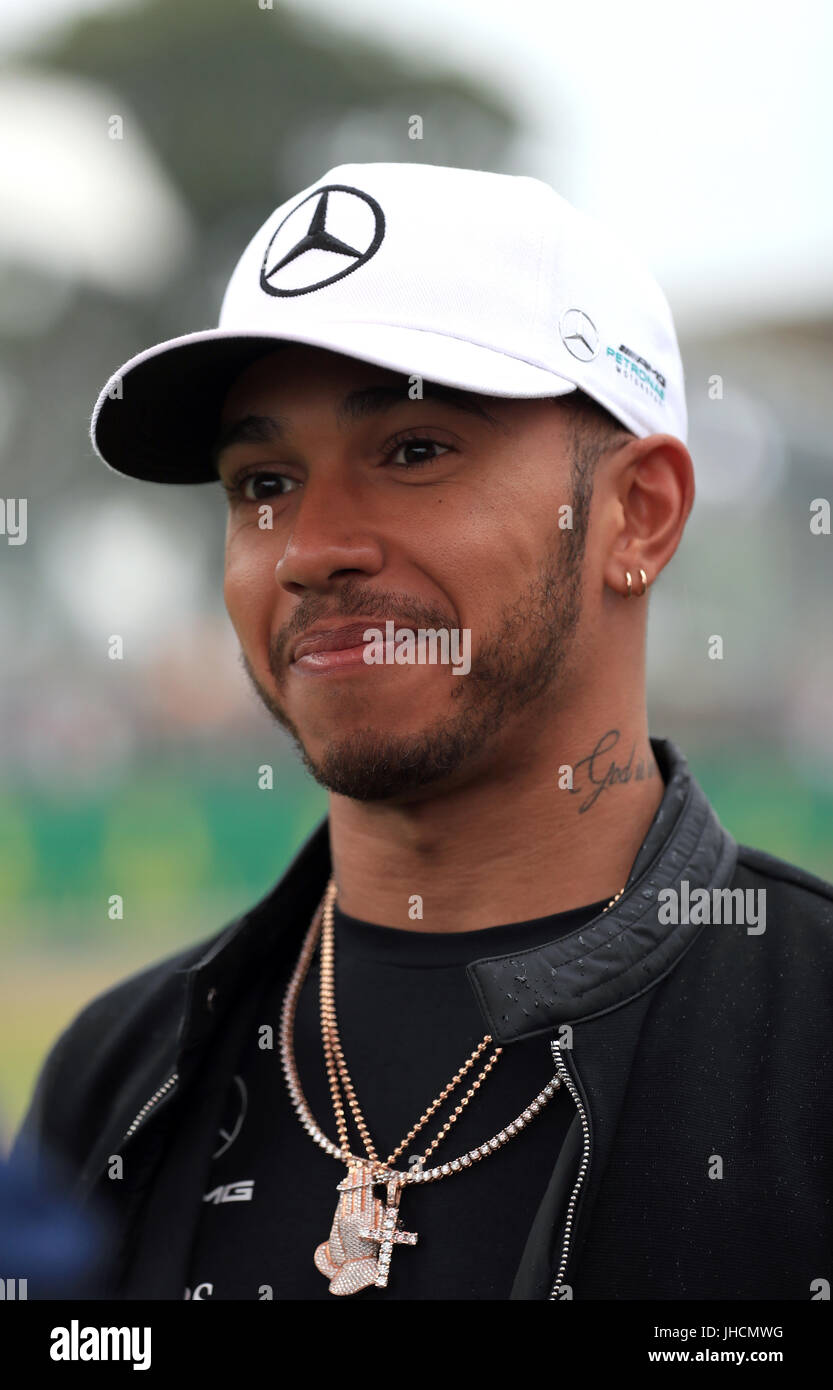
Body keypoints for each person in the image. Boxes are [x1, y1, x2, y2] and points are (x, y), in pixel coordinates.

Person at [12, 163, 833, 1300]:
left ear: (635, 512)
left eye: (412, 451)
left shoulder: (804, 1043)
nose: (308, 548)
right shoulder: (118, 1074)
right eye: (262, 480)